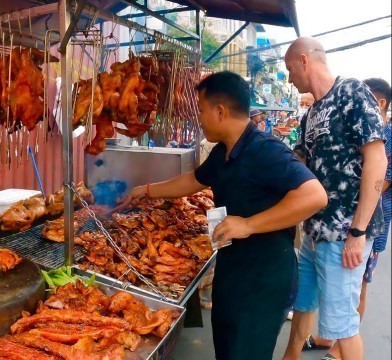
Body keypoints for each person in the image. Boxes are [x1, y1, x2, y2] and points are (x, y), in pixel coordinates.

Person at [118, 71, 328, 359]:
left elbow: (315, 195)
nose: (199, 118)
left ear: (220, 111)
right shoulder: (222, 152)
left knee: (247, 352)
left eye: (201, 111)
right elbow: (194, 180)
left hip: (264, 276)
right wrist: (147, 190)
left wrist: (249, 224)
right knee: (227, 347)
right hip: (233, 266)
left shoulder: (265, 150)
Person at [282, 37, 387, 360]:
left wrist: (358, 232)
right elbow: (297, 165)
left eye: (289, 70)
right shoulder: (311, 113)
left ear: (304, 61)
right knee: (303, 305)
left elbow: (377, 160)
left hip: (344, 236)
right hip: (314, 232)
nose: (289, 79)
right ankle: (290, 357)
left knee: (343, 325)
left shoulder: (352, 93)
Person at [300, 78, 392, 359]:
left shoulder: (383, 135)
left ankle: (340, 348)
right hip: (334, 227)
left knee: (352, 297)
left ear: (380, 103)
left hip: (364, 224)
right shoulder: (324, 113)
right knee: (333, 297)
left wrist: (357, 230)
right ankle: (329, 341)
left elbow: (381, 176)